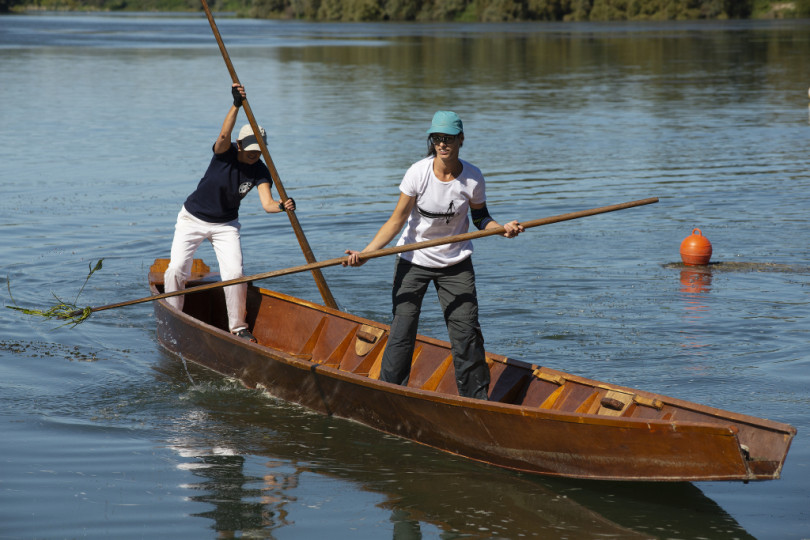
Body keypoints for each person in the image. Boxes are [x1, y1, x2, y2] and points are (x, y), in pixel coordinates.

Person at [343, 111, 524, 399]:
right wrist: (366, 253)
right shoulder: (418, 173)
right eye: (437, 138)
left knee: (466, 333)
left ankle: (476, 401)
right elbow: (396, 220)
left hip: (455, 264)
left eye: (448, 138)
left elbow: (481, 219)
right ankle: (389, 393)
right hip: (413, 261)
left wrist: (502, 229)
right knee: (403, 329)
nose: (442, 144)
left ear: (460, 139)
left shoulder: (473, 178)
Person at [164, 83, 296, 342]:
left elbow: (268, 204)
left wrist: (282, 205)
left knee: (235, 274)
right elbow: (223, 135)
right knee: (177, 269)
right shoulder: (225, 153)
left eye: (259, 151)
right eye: (249, 150)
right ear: (239, 144)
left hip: (226, 225)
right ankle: (172, 316)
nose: (253, 155)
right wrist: (236, 104)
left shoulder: (260, 170)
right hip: (192, 218)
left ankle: (238, 328)